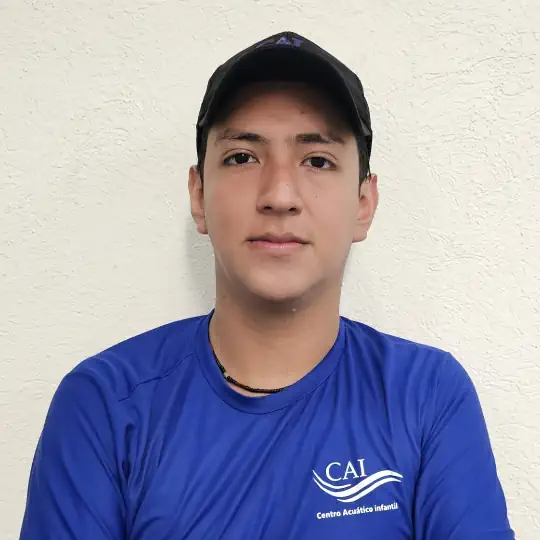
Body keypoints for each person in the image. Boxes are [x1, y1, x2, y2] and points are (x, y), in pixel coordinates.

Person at [20, 31, 514, 539]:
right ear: (199, 195)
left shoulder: (426, 397)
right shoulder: (105, 405)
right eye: (242, 157)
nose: (279, 195)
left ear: (364, 204)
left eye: (317, 160)